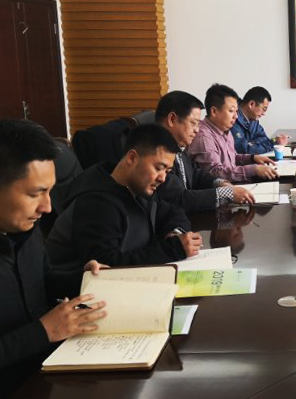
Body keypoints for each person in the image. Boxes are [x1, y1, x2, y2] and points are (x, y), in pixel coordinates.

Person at [0, 119, 108, 395]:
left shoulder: (25, 230)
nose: (47, 207)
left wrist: (83, 279)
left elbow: (43, 280)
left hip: (48, 373)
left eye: (49, 191)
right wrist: (43, 331)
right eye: (36, 193)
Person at [46, 124, 202, 270]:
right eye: (158, 168)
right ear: (132, 158)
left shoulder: (137, 186)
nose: (163, 178)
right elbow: (106, 266)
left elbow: (171, 212)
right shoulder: (96, 203)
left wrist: (175, 233)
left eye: (167, 171)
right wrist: (173, 249)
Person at [154, 91, 255, 212]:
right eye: (193, 123)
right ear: (172, 119)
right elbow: (178, 198)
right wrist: (226, 193)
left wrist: (219, 183)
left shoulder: (178, 145)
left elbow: (195, 174)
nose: (197, 130)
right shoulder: (156, 152)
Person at [188, 83, 278, 182]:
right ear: (214, 111)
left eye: (236, 111)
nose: (236, 116)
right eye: (231, 111)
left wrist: (252, 158)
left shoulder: (224, 129)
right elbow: (215, 173)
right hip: (222, 189)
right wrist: (253, 170)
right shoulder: (204, 137)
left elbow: (233, 158)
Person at [231, 86, 290, 155]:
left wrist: (251, 144)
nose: (263, 114)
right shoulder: (232, 118)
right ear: (251, 104)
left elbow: (264, 138)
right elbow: (244, 150)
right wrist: (273, 144)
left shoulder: (253, 119)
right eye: (264, 109)